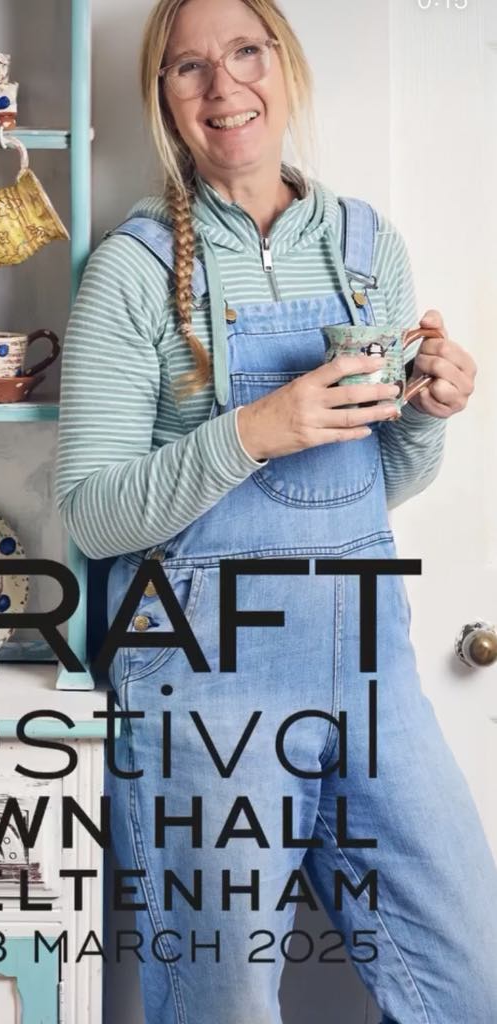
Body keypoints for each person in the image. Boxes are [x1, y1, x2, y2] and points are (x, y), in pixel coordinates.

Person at [54, 0, 497, 1021]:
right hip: (201, 679)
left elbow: (368, 483)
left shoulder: (362, 242)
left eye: (246, 52)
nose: (223, 88)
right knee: (223, 1006)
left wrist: (426, 415)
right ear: (162, 100)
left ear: (285, 65)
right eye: (188, 68)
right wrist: (254, 429)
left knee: (464, 984)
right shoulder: (131, 270)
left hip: (366, 658)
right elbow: (93, 514)